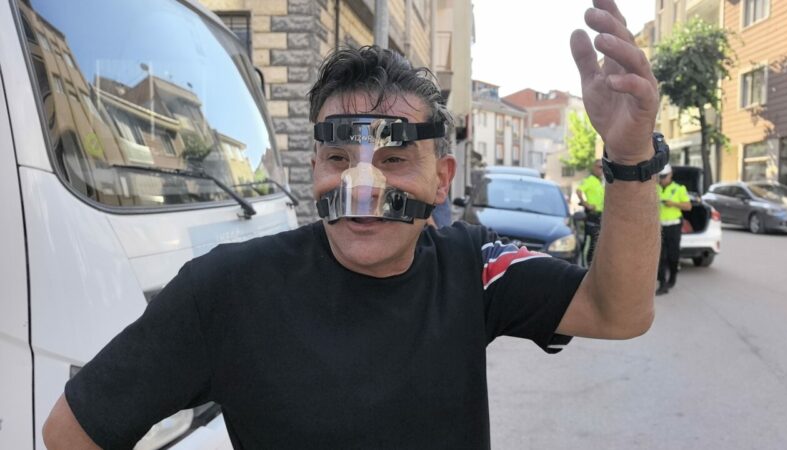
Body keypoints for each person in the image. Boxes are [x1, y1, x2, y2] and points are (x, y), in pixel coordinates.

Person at [43, 1, 663, 448]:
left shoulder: (475, 270)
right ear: (314, 165)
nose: (362, 189)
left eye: (394, 160)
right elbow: (71, 432)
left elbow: (620, 312)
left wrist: (630, 154)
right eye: (339, 158)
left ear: (442, 179)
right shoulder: (226, 291)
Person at [656, 164, 691, 295]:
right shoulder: (655, 189)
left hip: (674, 227)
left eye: (664, 176)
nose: (662, 179)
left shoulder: (679, 189)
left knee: (673, 256)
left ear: (670, 175)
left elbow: (688, 206)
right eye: (660, 177)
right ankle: (662, 284)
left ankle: (672, 278)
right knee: (660, 257)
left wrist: (673, 204)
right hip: (659, 227)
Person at [576, 158, 605, 265]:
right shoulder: (590, 180)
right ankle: (584, 266)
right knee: (589, 242)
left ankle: (592, 265)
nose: (602, 170)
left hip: (600, 216)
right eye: (600, 167)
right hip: (591, 215)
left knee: (596, 243)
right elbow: (579, 190)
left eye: (603, 168)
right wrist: (586, 204)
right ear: (594, 168)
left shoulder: (601, 182)